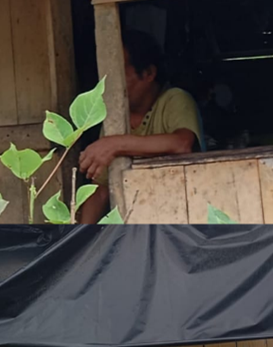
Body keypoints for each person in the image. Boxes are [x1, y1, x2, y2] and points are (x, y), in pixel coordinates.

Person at [78, 31, 203, 223]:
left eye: (118, 72)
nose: (108, 82)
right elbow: (100, 189)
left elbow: (182, 143)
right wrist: (81, 234)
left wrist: (115, 145)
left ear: (148, 73)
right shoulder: (114, 119)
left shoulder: (174, 99)